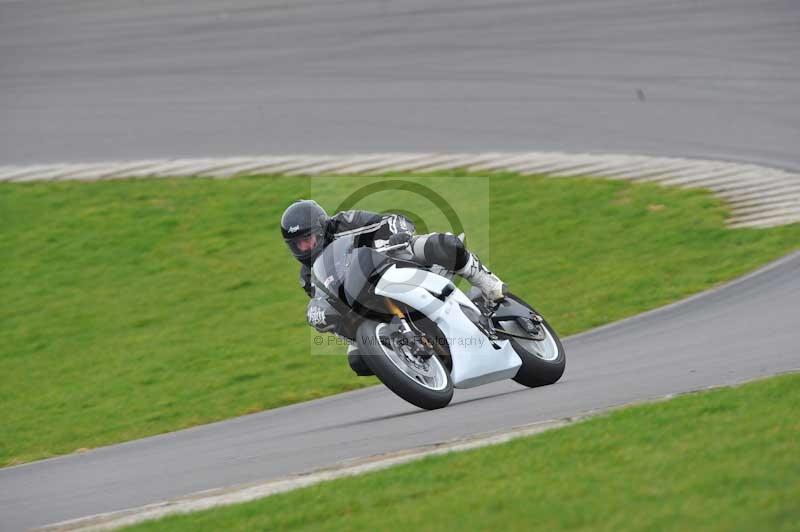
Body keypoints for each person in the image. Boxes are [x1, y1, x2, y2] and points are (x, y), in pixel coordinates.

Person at [281, 199, 506, 375]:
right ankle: (411, 360)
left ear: (321, 228)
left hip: (392, 263)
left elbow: (391, 220)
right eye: (297, 244)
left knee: (442, 244)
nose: (303, 247)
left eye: (307, 239)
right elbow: (331, 303)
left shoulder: (346, 222)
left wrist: (397, 236)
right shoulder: (308, 277)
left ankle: (486, 282)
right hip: (368, 302)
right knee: (359, 359)